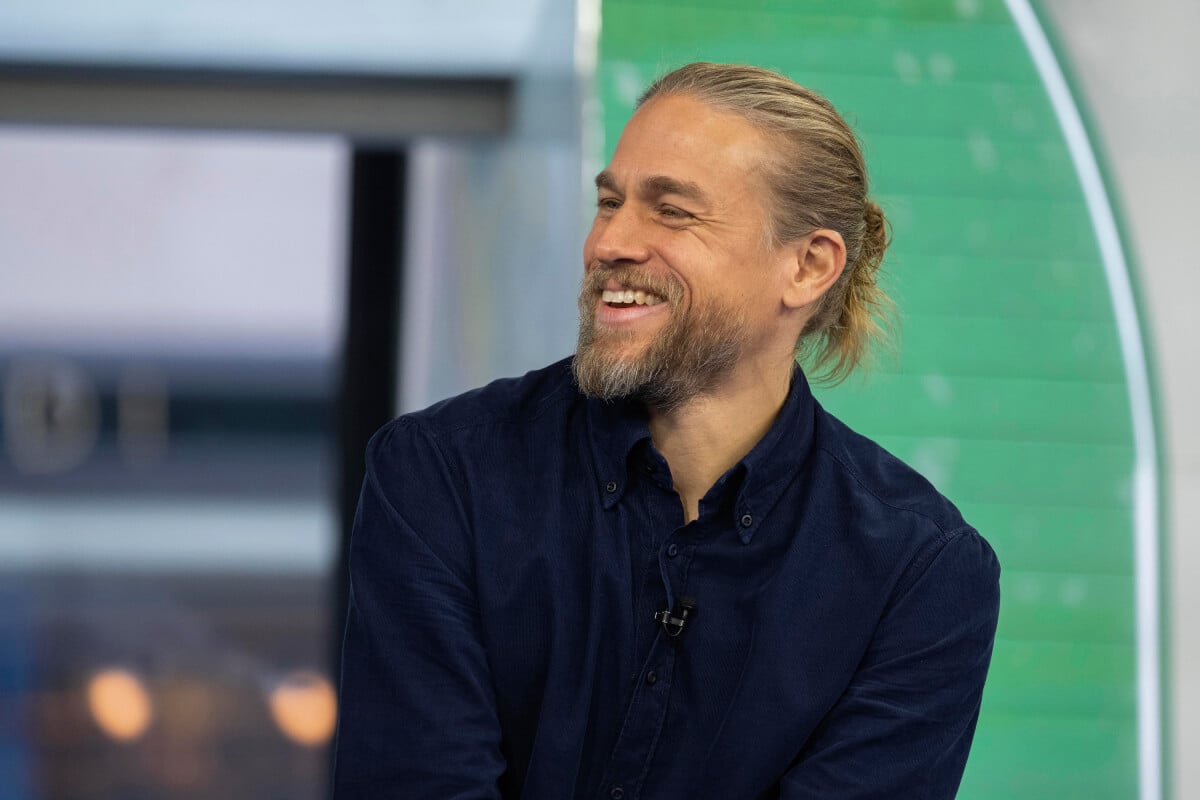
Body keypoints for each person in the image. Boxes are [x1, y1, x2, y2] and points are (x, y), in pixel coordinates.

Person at [332, 62, 1000, 799]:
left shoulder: (920, 573)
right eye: (609, 203)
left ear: (808, 266)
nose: (609, 242)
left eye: (672, 211)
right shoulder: (442, 475)